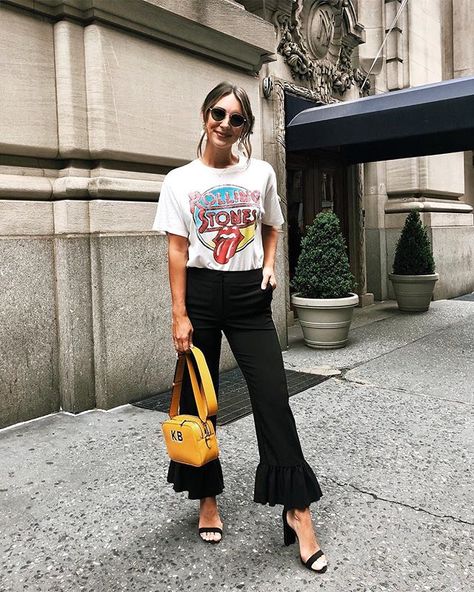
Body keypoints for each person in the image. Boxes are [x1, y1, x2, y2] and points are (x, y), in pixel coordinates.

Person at [152, 82, 328, 573]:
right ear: (204, 114)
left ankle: (297, 510)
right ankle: (207, 497)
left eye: (237, 119)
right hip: (202, 296)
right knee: (197, 400)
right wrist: (180, 314)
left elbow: (273, 224)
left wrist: (271, 265)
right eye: (218, 113)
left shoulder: (261, 173)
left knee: (272, 397)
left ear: (247, 127)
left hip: (251, 294)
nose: (225, 124)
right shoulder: (179, 180)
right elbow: (176, 251)